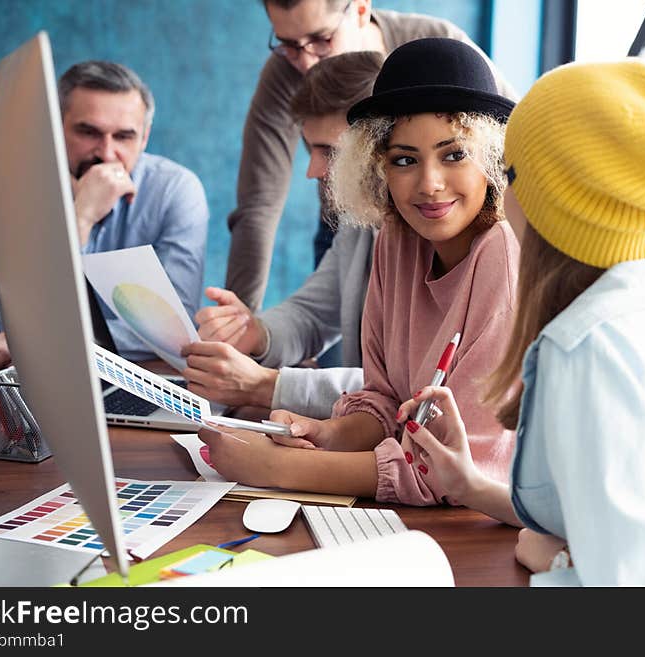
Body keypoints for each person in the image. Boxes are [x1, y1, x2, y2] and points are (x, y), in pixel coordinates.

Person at [396, 59, 645, 585]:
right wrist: (471, 486)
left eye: (511, 176)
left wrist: (556, 563)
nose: (504, 198)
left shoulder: (582, 350)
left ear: (556, 202)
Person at [198, 38, 520, 507]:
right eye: (404, 160)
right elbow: (386, 401)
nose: (430, 183)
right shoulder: (396, 236)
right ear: (378, 167)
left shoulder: (504, 257)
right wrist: (329, 435)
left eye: (454, 155)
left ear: (491, 157)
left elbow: (451, 471)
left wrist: (275, 467)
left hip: (492, 533)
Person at [226, 0, 517, 312]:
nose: (306, 63)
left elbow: (510, 135)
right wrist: (238, 317)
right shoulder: (283, 72)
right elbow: (259, 205)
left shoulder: (438, 48)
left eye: (322, 39)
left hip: (443, 223)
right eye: (289, 45)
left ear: (361, 10)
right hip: (347, 217)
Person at [0, 60, 209, 374]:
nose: (107, 154)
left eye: (124, 136)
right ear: (54, 129)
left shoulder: (176, 191)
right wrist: (80, 219)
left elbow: (173, 332)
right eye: (88, 132)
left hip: (138, 377)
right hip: (40, 384)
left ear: (145, 138)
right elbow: (5, 323)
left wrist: (46, 342)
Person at [182, 50, 382, 418]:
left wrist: (265, 385)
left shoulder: (436, 237)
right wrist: (253, 331)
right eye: (311, 148)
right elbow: (312, 315)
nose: (313, 170)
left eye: (330, 152)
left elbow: (403, 391)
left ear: (381, 143)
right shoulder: (362, 222)